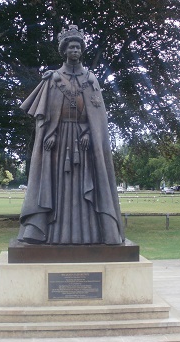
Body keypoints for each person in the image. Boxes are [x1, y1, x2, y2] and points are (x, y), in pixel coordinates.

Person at [18, 25, 124, 245]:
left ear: (81, 50)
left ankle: (94, 234)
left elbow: (97, 116)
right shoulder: (53, 79)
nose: (74, 50)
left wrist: (87, 131)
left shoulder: (91, 79)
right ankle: (44, 232)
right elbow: (46, 114)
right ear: (64, 50)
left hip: (84, 141)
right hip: (58, 141)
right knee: (56, 186)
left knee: (86, 185)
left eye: (77, 46)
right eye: (71, 47)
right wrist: (50, 133)